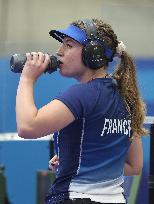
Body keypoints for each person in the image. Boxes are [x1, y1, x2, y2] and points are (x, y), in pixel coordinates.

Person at [16, 19, 147, 204]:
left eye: (68, 45)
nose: (59, 51)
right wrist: (77, 161)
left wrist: (27, 78)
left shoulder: (83, 94)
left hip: (76, 197)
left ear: (93, 54)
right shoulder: (126, 97)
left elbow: (27, 127)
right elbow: (134, 166)